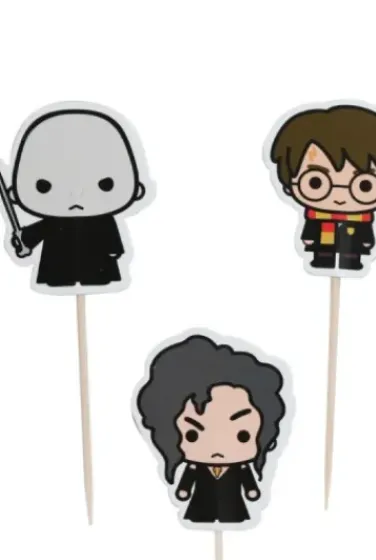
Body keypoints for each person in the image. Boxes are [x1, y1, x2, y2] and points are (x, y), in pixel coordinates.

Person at [136, 335, 287, 525]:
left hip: (233, 507)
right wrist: (183, 490)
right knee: (201, 513)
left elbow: (247, 480)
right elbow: (188, 479)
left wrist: (251, 490)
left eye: (242, 435)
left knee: (232, 514)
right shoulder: (194, 467)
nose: (218, 450)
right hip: (201, 506)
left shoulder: (240, 467)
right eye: (192, 435)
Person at [6, 107, 148, 288]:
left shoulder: (100, 220)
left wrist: (114, 250)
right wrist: (24, 241)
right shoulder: (55, 221)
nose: (75, 195)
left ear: (137, 190)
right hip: (60, 267)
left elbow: (110, 237)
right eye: (44, 186)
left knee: (94, 276)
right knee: (63, 277)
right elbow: (36, 234)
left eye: (105, 184)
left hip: (95, 267)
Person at [268, 104, 376, 271]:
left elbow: (365, 231)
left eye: (364, 186)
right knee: (323, 251)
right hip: (323, 239)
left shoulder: (362, 218)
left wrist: (367, 241)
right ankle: (322, 259)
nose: (339, 197)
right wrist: (309, 237)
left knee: (352, 251)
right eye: (316, 182)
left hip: (353, 238)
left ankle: (352, 261)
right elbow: (312, 227)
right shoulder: (315, 215)